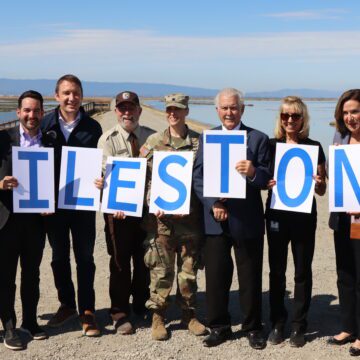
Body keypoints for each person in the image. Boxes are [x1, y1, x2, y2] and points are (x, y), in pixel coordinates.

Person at [193, 88, 271, 349]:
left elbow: (267, 179)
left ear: (242, 109)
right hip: (215, 217)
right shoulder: (208, 137)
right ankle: (219, 326)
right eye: (224, 108)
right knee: (216, 275)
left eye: (234, 107)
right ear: (217, 110)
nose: (229, 112)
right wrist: (212, 202)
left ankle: (252, 327)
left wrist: (253, 172)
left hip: (246, 219)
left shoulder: (258, 139)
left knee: (250, 276)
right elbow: (199, 177)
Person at [140, 93, 206, 341]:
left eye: (178, 109)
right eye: (169, 109)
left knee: (189, 272)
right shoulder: (154, 142)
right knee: (161, 270)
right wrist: (151, 201)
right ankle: (158, 316)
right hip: (162, 222)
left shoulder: (200, 143)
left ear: (186, 111)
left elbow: (206, 178)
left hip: (190, 221)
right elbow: (142, 178)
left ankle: (189, 314)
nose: (173, 113)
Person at [41, 74, 103, 337]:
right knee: (58, 257)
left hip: (83, 205)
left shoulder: (93, 127)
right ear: (56, 96)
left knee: (86, 258)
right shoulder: (44, 125)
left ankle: (87, 309)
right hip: (53, 206)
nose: (71, 98)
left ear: (81, 96)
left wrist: (103, 178)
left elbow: (102, 162)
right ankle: (66, 304)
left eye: (76, 93)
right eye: (66, 93)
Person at [265, 96, 326, 347]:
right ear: (280, 119)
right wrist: (263, 181)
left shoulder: (315, 146)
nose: (290, 120)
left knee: (302, 271)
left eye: (295, 116)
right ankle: (278, 323)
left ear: (303, 119)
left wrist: (321, 184)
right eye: (285, 116)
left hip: (303, 217)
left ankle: (299, 325)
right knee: (277, 271)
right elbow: (259, 176)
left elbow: (321, 191)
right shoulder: (270, 145)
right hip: (277, 215)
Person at [97, 91, 154, 334]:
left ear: (139, 110)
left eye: (131, 108)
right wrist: (113, 203)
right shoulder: (107, 139)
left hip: (146, 209)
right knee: (119, 262)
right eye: (122, 108)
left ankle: (141, 304)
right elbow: (102, 176)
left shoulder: (152, 137)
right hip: (117, 212)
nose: (127, 112)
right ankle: (119, 311)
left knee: (145, 259)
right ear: (115, 112)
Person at [0, 90, 50, 350]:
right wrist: (0, 183)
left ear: (42, 113)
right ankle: (9, 326)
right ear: (18, 113)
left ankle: (30, 321)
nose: (32, 115)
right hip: (6, 221)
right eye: (26, 110)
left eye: (36, 110)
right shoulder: (2, 140)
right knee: (5, 276)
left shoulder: (51, 142)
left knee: (32, 274)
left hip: (36, 221)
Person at [327, 89, 360, 357]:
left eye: (355, 111)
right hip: (341, 217)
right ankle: (349, 326)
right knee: (345, 274)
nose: (350, 117)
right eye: (346, 112)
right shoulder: (340, 138)